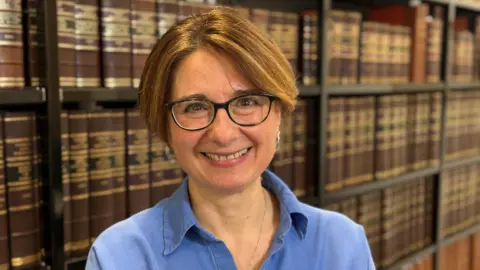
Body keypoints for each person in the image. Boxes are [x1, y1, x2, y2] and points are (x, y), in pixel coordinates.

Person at [86, 7, 375, 270]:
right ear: (165, 128)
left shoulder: (343, 245)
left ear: (279, 112)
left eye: (247, 102)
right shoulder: (117, 257)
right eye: (195, 107)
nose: (223, 134)